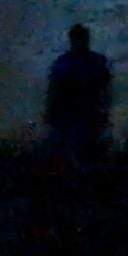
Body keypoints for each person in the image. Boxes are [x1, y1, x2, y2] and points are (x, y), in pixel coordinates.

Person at [45, 23, 112, 157]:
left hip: (83, 113)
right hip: (77, 114)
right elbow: (106, 90)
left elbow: (106, 90)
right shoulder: (96, 61)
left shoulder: (63, 63)